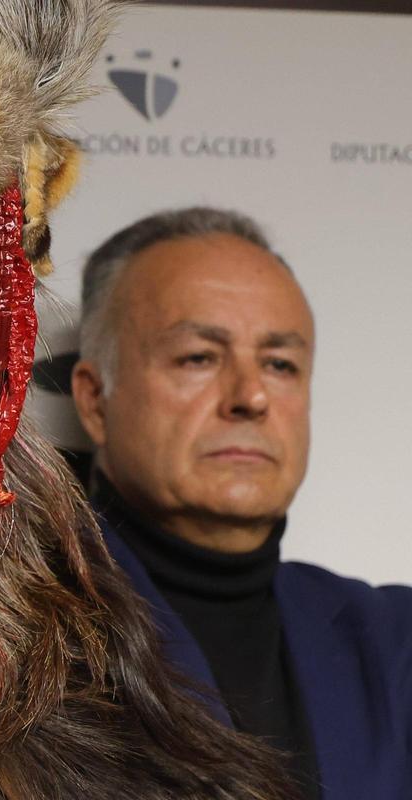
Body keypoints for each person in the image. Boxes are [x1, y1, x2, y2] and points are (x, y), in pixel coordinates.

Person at [71, 207, 412, 800]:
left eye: (280, 365)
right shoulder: (9, 639)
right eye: (199, 357)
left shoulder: (393, 640)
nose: (251, 396)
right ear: (96, 401)